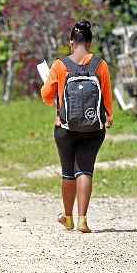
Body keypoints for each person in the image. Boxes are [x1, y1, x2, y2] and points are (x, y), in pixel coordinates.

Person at [40, 20, 113, 233]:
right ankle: (83, 220)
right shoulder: (101, 65)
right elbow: (106, 96)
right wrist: (108, 116)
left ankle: (68, 218)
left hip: (65, 128)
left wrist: (53, 92)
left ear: (72, 42)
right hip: (94, 128)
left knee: (68, 172)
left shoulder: (60, 65)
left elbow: (46, 95)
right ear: (89, 42)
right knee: (85, 170)